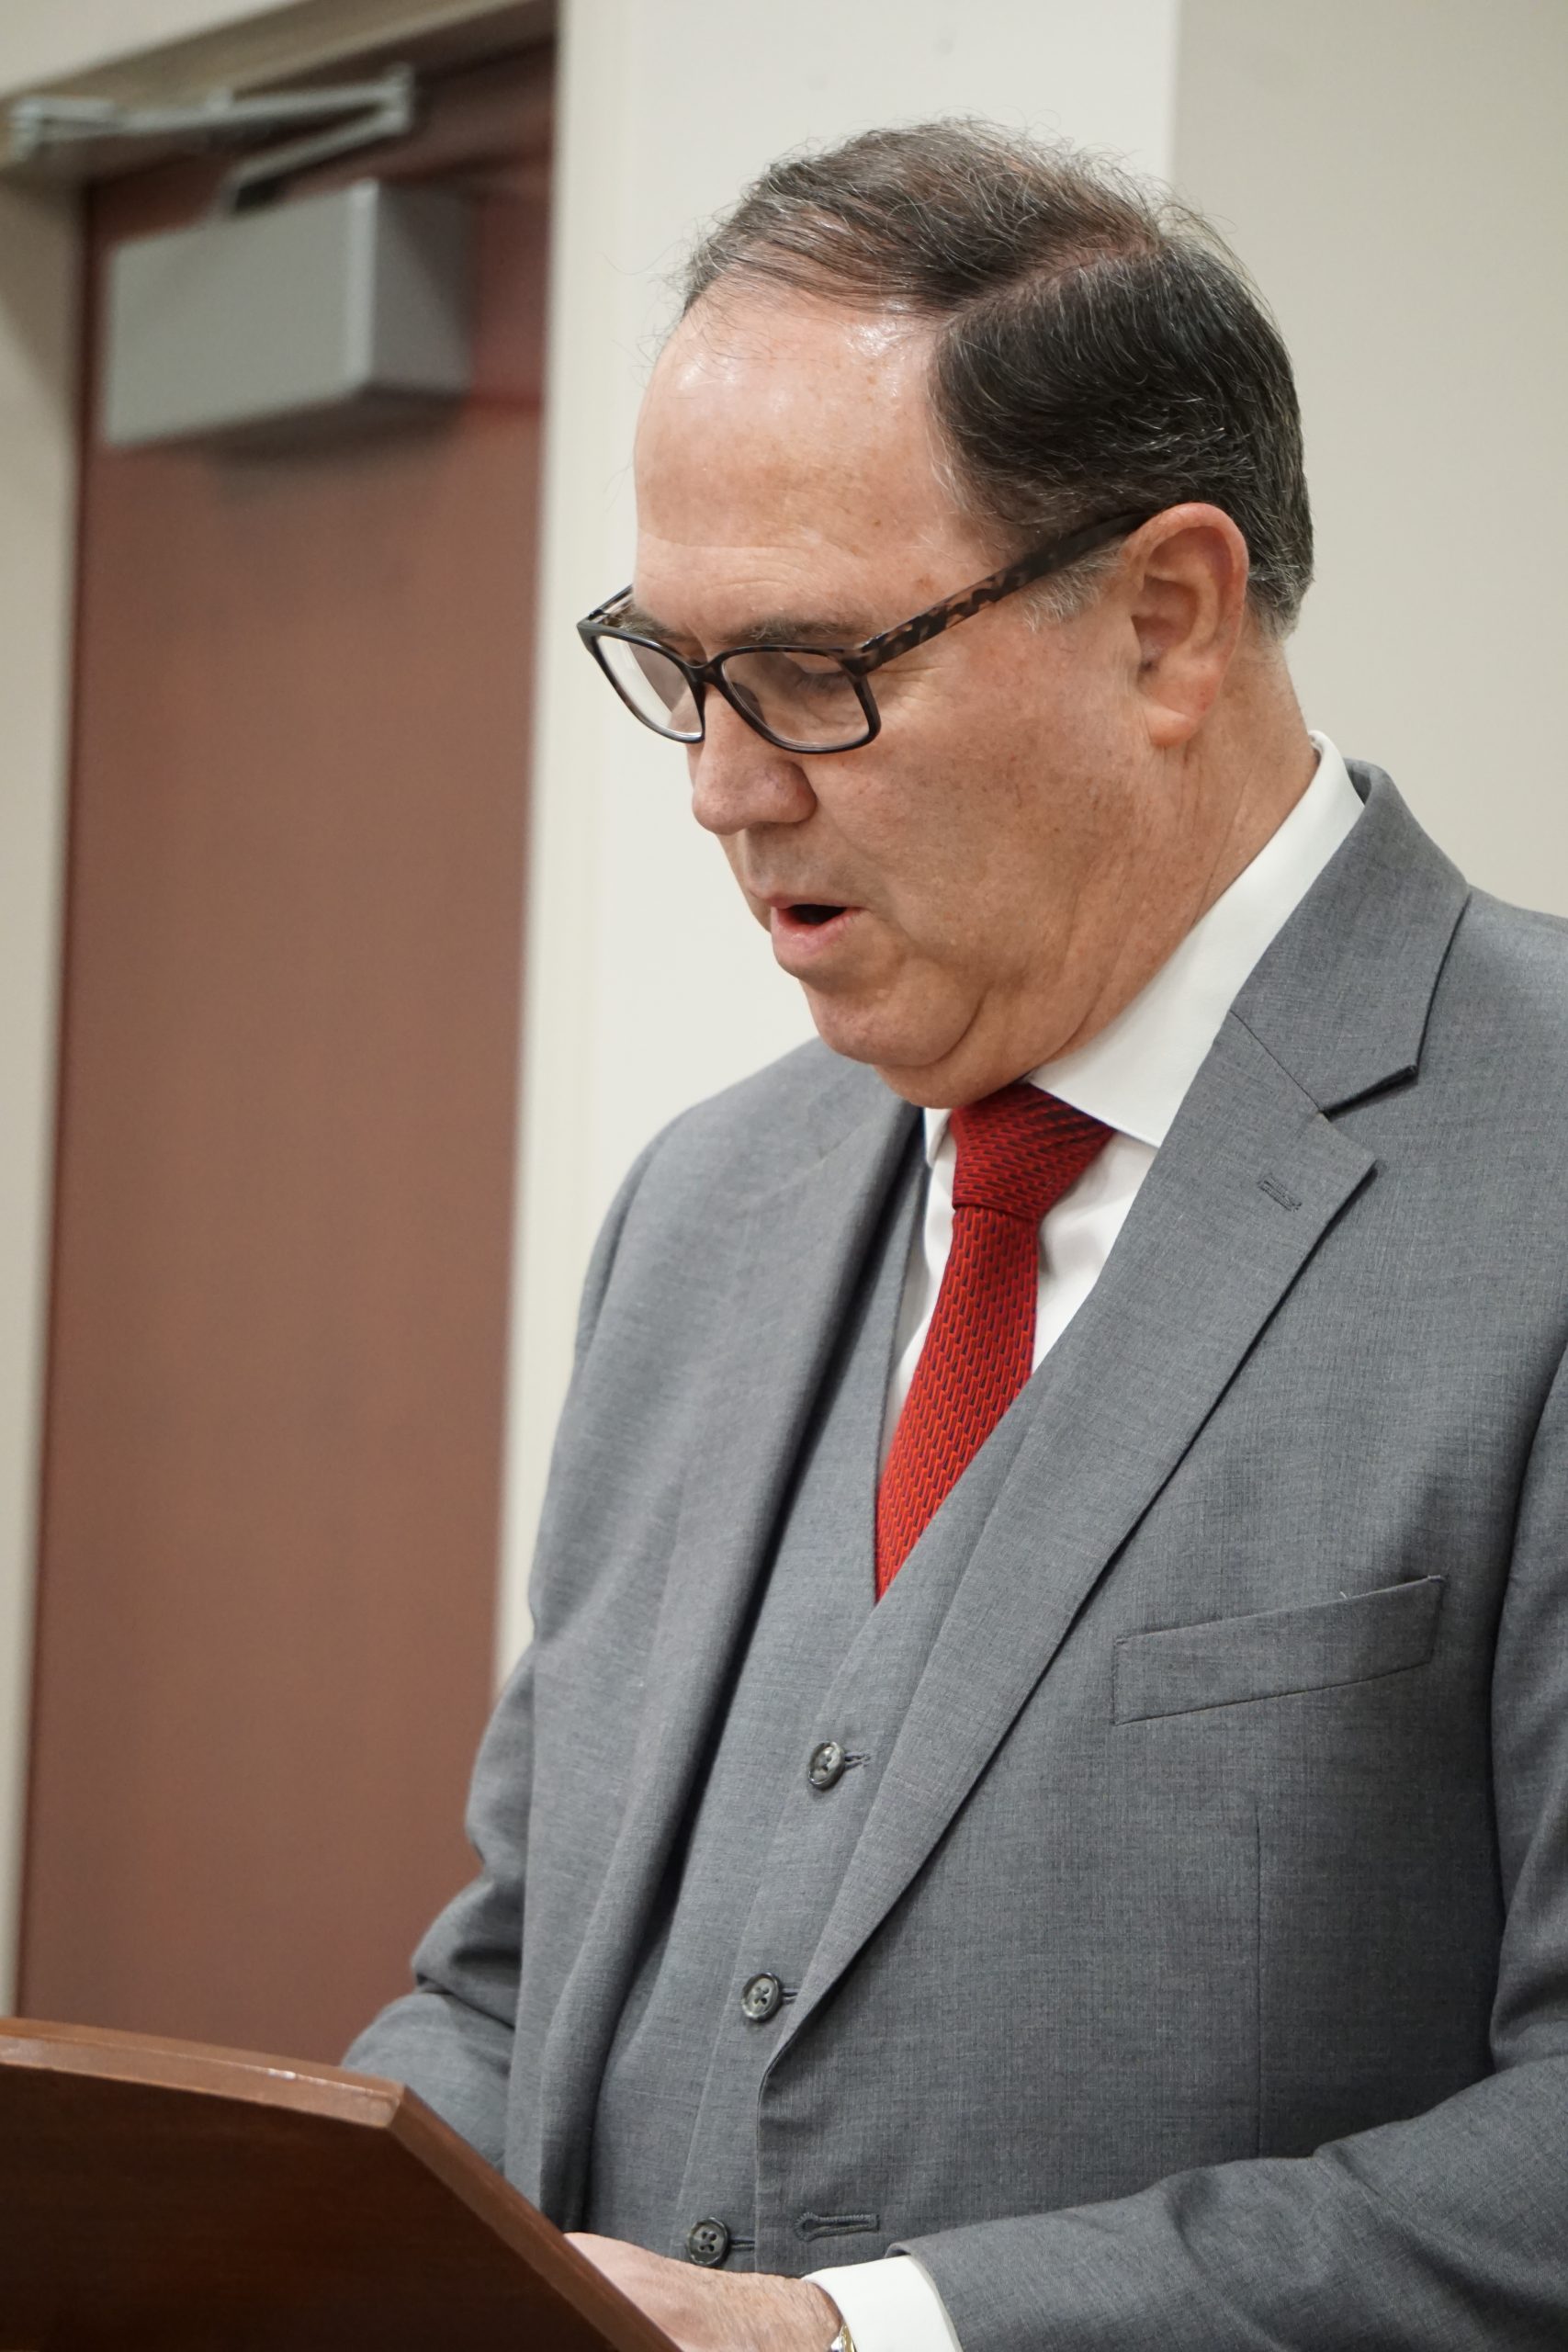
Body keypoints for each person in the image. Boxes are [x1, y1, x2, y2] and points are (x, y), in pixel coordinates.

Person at [346, 122, 1568, 2351]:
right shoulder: (700, 1215)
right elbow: (525, 1968)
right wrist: (309, 2232)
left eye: (810, 668)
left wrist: (870, 2335)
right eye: (675, 666)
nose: (722, 783)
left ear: (1166, 619)